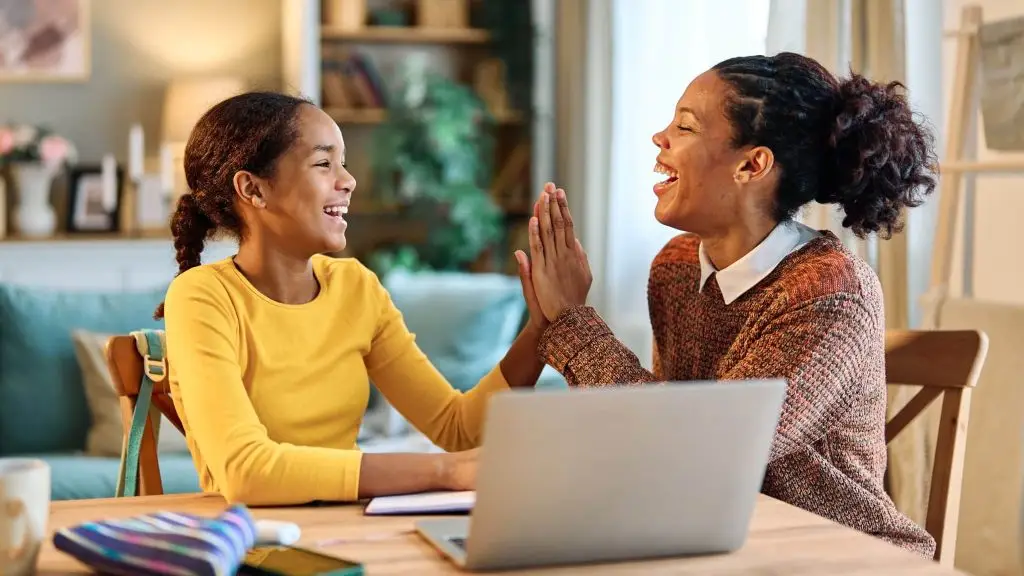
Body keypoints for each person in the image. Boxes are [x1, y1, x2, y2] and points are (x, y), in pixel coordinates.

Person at [518, 52, 939, 557]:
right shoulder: (674, 268)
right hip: (718, 547)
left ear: (751, 164)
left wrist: (572, 324)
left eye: (685, 127)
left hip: (839, 556)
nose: (660, 138)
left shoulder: (829, 295)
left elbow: (704, 456)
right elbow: (666, 438)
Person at [157, 91, 551, 506]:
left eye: (342, 163)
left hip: (353, 526)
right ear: (253, 189)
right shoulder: (202, 297)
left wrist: (541, 327)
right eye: (324, 163)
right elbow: (247, 472)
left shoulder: (356, 287)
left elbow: (458, 428)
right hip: (254, 542)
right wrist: (446, 471)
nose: (348, 181)